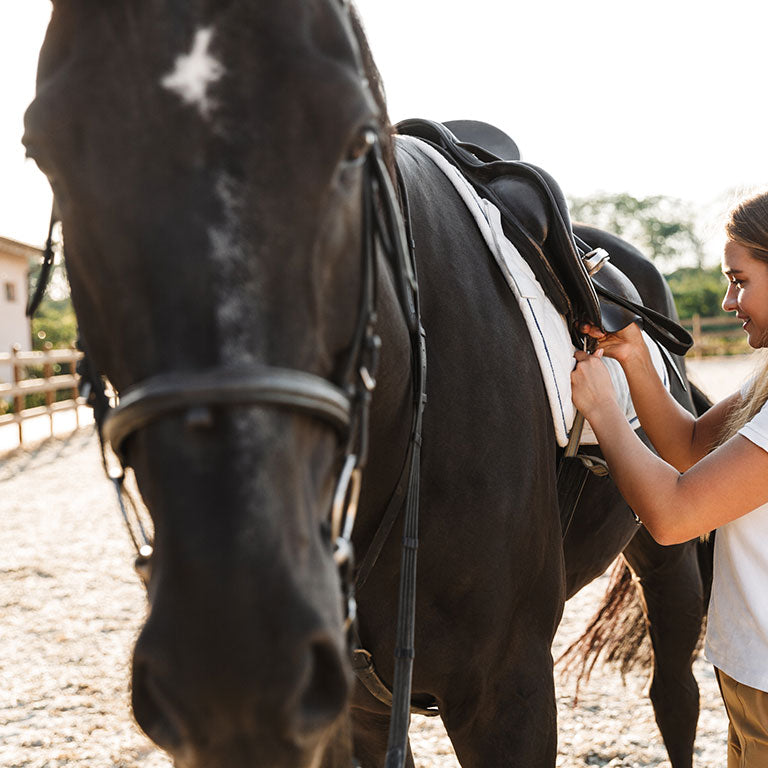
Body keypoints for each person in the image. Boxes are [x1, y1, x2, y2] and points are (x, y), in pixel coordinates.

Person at [571, 190, 768, 768]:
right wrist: (632, 355)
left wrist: (606, 414)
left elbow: (674, 516)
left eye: (741, 281)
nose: (730, 300)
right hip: (749, 677)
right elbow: (688, 447)